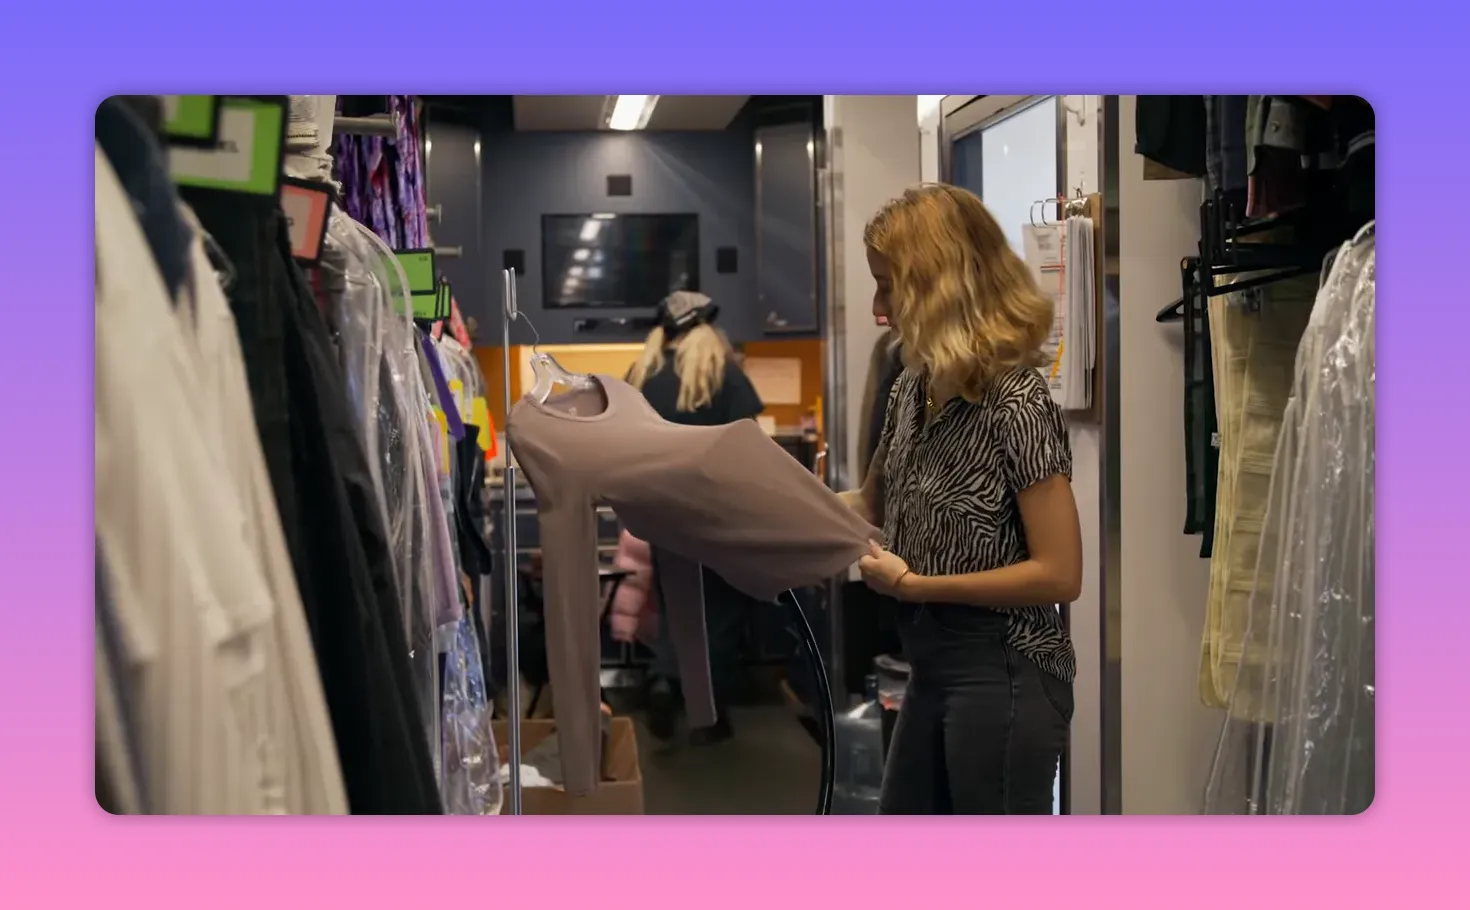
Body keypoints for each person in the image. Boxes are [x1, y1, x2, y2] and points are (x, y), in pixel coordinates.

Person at [841, 184, 1083, 814]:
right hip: (932, 666)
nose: (877, 309)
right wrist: (757, 513)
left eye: (887, 285)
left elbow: (1060, 574)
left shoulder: (1017, 403)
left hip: (1004, 673)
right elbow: (869, 505)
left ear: (935, 287)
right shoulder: (912, 392)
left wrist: (915, 585)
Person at [626, 290, 765, 745]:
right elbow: (750, 448)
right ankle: (708, 713)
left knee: (678, 605)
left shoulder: (643, 374)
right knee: (720, 612)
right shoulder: (721, 374)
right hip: (716, 511)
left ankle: (666, 681)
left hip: (662, 511)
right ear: (703, 329)